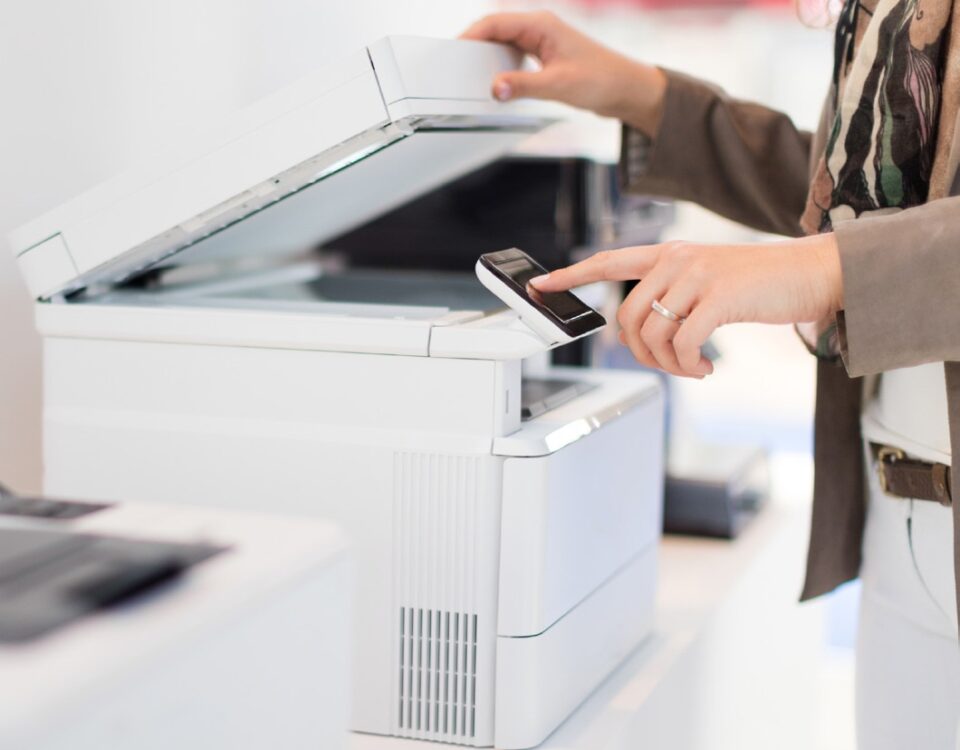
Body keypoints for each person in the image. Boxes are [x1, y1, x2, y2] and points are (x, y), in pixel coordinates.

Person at [463, 4, 960, 748]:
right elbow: (868, 184)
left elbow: (847, 241)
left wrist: (826, 269)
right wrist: (643, 95)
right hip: (897, 514)